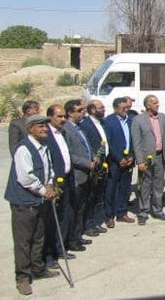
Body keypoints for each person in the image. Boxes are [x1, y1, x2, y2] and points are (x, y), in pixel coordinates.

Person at [5, 114, 60, 296]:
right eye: (40, 126)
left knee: (39, 237)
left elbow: (49, 169)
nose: (45, 129)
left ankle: (38, 269)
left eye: (45, 126)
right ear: (30, 129)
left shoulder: (44, 146)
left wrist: (50, 184)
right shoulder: (24, 149)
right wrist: (44, 191)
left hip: (40, 200)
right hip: (24, 202)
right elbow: (25, 178)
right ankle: (22, 277)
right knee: (23, 241)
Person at [131, 95, 165, 225]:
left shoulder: (162, 117)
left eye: (157, 102)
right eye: (155, 103)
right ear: (148, 105)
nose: (157, 105)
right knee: (145, 185)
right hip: (146, 158)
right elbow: (136, 142)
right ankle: (143, 212)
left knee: (158, 185)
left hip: (160, 157)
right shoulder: (138, 120)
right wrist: (140, 161)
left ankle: (157, 210)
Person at [43, 105, 73, 268]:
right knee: (50, 221)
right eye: (59, 116)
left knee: (63, 215)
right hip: (53, 183)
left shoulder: (63, 133)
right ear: (50, 117)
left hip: (66, 179)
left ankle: (60, 248)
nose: (63, 119)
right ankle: (49, 255)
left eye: (64, 117)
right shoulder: (46, 135)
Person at [63, 99, 95, 252]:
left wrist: (93, 157)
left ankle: (78, 235)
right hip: (77, 174)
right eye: (80, 110)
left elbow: (86, 147)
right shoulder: (66, 129)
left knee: (82, 207)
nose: (83, 112)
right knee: (73, 209)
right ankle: (71, 240)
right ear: (70, 113)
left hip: (86, 173)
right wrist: (87, 163)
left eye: (83, 110)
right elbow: (69, 154)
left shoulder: (80, 127)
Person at [103, 97, 135, 228]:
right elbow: (108, 143)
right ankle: (109, 216)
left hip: (128, 160)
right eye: (123, 108)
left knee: (125, 188)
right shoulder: (108, 122)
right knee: (111, 190)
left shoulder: (130, 120)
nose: (126, 110)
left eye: (127, 107)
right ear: (116, 108)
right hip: (115, 162)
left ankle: (122, 213)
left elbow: (134, 140)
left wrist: (132, 156)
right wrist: (118, 158)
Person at [80, 100, 109, 237]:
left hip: (103, 163)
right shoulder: (85, 125)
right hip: (93, 165)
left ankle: (95, 222)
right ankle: (88, 224)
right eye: (100, 107)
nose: (104, 109)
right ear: (92, 110)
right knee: (90, 197)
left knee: (98, 196)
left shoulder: (102, 122)